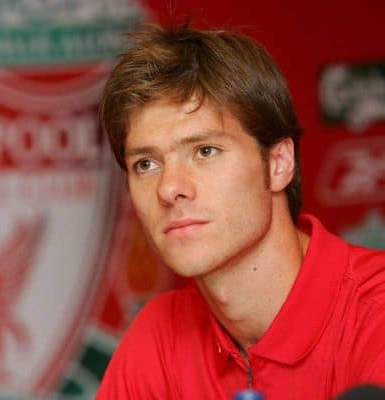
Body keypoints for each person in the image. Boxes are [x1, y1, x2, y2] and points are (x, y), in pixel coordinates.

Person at [96, 22, 385, 400]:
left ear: (279, 164)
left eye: (205, 151)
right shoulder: (158, 339)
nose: (168, 188)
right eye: (146, 164)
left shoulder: (374, 312)